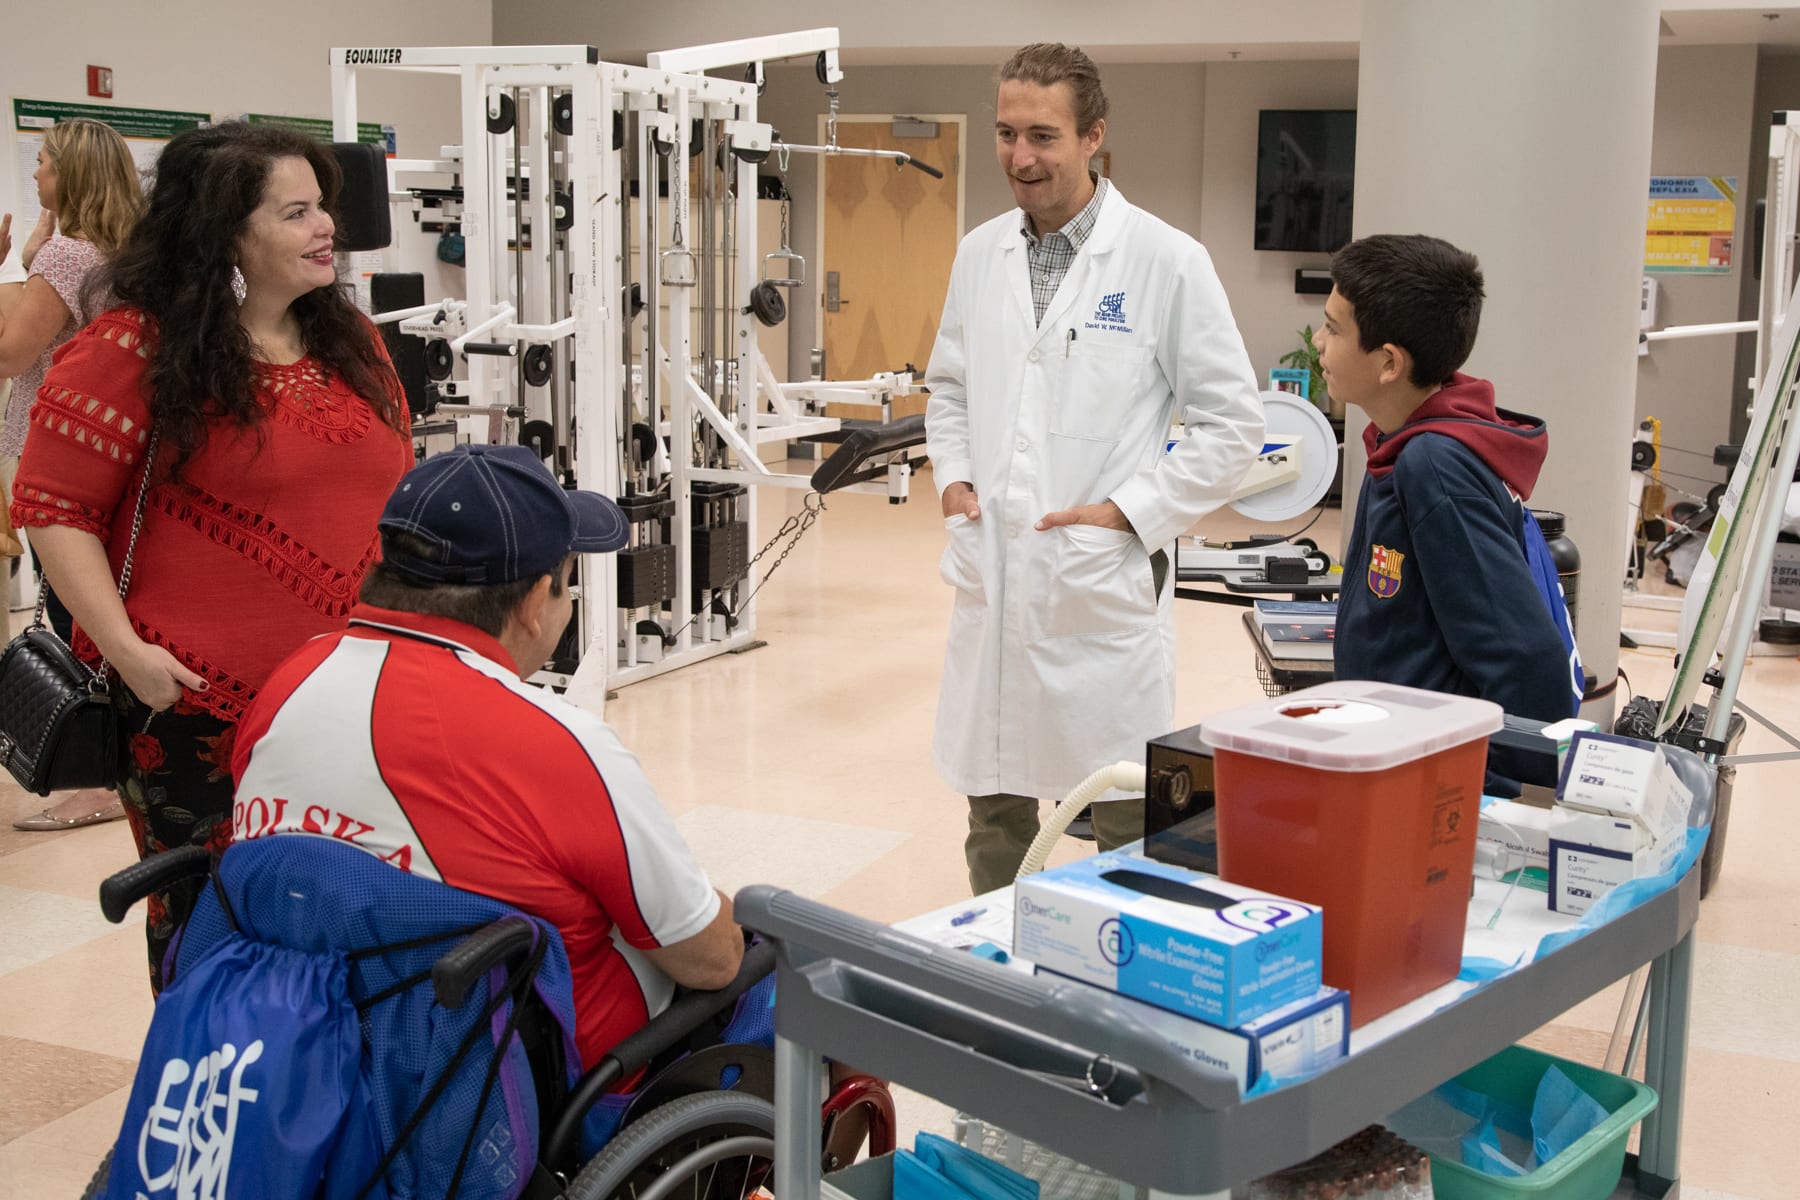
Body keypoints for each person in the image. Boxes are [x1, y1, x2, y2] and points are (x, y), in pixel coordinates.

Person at [10, 123, 413, 986]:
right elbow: (52, 509)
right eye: (296, 212)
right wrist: (127, 653)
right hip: (194, 710)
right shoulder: (131, 352)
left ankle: (322, 1103)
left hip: (353, 698)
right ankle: (213, 1106)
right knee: (215, 926)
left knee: (348, 913)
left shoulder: (352, 345)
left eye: (323, 209)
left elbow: (388, 493)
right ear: (228, 231)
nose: (323, 229)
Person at [230, 444, 744, 1071]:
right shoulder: (558, 741)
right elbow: (711, 959)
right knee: (773, 964)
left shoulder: (288, 684)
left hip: (315, 1045)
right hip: (512, 1088)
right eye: (568, 582)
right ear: (533, 604)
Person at [924, 43, 1264, 894]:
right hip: (997, 565)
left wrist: (1131, 510)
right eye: (1006, 134)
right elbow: (951, 389)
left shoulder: (1164, 261)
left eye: (1043, 135)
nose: (1020, 157)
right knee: (994, 805)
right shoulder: (980, 254)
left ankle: (1116, 976)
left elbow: (1233, 424)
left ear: (1093, 138)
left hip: (1098, 578)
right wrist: (953, 478)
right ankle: (998, 970)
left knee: (1121, 801)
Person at [1315, 233, 1574, 728]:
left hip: (1431, 775)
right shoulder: (1399, 441)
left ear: (1389, 362)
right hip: (1390, 749)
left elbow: (1529, 663)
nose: (1320, 341)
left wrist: (1484, 785)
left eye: (1333, 328)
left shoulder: (1433, 465)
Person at [0, 118, 142, 831]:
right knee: (100, 601)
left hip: (60, 453)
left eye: (45, 162)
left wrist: (20, 263)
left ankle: (96, 779)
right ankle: (117, 769)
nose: (35, 174)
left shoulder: (63, 256)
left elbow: (10, 354)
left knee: (71, 611)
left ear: (74, 174)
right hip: (117, 452)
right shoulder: (133, 253)